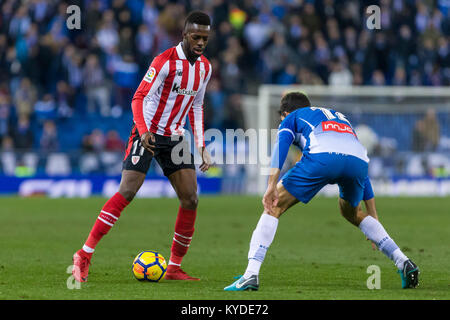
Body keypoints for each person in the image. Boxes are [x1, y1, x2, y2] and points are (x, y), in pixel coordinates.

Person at [224, 92, 419, 291]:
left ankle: (250, 275)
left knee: (273, 206)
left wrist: (271, 184)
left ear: (285, 113)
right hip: (358, 163)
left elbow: (280, 148)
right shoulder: (340, 118)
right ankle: (403, 262)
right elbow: (361, 166)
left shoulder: (291, 118)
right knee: (351, 212)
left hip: (322, 159)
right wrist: (374, 217)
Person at [72, 11, 213, 282]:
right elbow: (138, 98)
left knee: (191, 198)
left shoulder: (205, 68)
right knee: (127, 191)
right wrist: (144, 131)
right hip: (147, 132)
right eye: (196, 37)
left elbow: (196, 105)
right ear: (184, 35)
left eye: (205, 38)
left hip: (175, 137)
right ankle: (85, 254)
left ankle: (173, 267)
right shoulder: (164, 62)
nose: (200, 43)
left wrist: (201, 145)